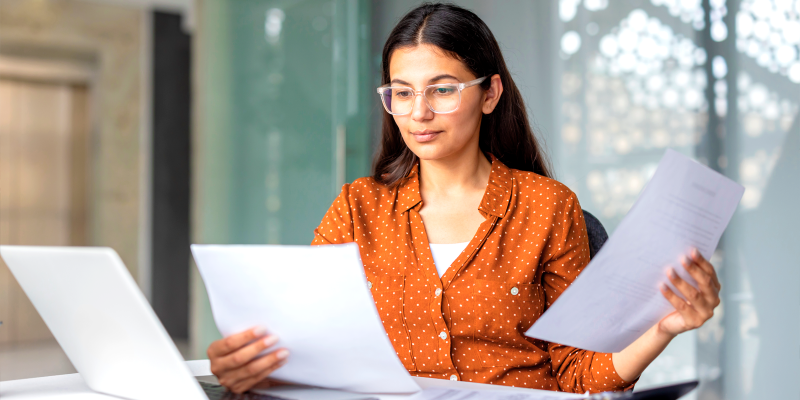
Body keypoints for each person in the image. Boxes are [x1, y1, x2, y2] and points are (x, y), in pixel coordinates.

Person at [206, 3, 721, 394]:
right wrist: (248, 365)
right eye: (401, 92)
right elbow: (309, 345)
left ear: (490, 93)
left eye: (443, 89)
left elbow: (579, 375)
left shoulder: (547, 207)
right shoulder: (357, 208)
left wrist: (666, 326)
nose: (419, 112)